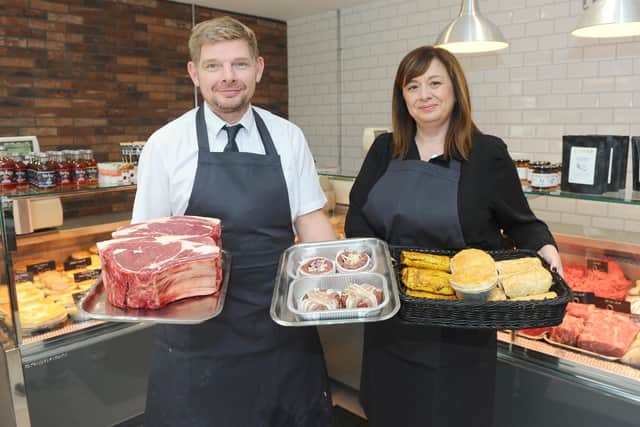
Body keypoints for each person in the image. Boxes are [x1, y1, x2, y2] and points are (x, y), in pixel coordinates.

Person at [133, 16, 336, 427]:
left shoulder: (288, 136)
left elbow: (311, 222)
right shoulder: (165, 145)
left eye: (240, 64)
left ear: (259, 69)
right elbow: (146, 245)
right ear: (194, 73)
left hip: (281, 334)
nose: (228, 77)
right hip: (197, 342)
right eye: (213, 66)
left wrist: (342, 284)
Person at [345, 46, 563, 427]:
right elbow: (358, 218)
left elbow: (521, 222)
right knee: (387, 409)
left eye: (434, 83)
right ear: (402, 97)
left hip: (461, 326)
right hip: (392, 318)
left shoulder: (486, 153)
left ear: (455, 90)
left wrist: (545, 247)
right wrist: (373, 266)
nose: (424, 95)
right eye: (412, 86)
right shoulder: (384, 149)